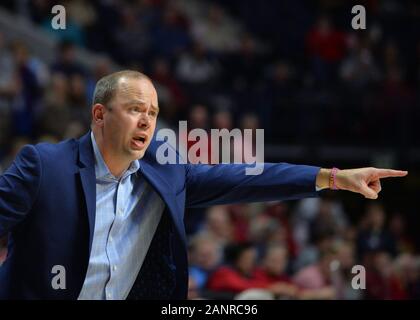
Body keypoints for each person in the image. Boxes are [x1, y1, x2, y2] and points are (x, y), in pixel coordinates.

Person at [0, 70, 408, 299]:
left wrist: (332, 178)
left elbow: (248, 178)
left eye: (153, 112)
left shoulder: (167, 170)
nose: (147, 120)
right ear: (99, 114)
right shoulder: (45, 166)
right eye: (135, 109)